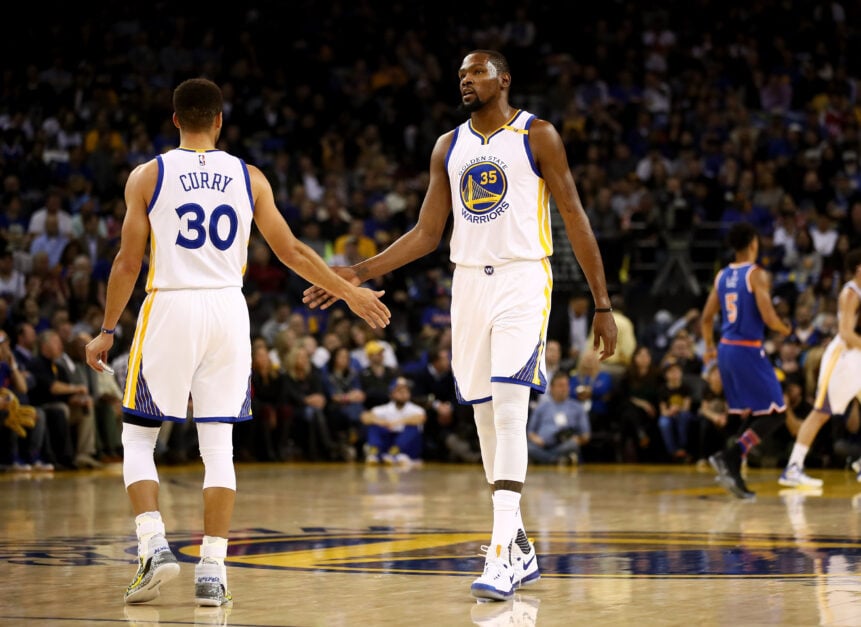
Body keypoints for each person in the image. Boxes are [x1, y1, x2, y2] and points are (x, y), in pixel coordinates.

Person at [303, 50, 617, 601]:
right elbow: (426, 234)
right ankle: (517, 544)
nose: (466, 80)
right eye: (461, 75)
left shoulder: (537, 135)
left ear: (504, 79)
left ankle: (499, 553)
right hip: (467, 282)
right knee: (485, 415)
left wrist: (602, 302)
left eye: (477, 72)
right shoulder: (448, 145)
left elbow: (574, 216)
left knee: (512, 406)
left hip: (523, 278)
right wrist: (354, 273)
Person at [83, 78, 390, 607]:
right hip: (228, 308)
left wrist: (108, 328)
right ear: (220, 121)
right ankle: (213, 571)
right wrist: (347, 293)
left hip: (172, 305)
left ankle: (153, 544)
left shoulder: (148, 175)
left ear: (175, 119)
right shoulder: (249, 177)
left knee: (137, 438)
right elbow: (291, 250)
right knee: (218, 444)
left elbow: (128, 262)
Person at [702, 221, 793, 499]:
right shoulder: (756, 275)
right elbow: (767, 316)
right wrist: (783, 328)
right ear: (753, 243)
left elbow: (706, 319)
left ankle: (733, 469)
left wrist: (708, 348)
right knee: (776, 411)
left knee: (753, 413)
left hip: (726, 349)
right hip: (747, 349)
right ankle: (730, 456)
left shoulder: (721, 276)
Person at [778, 248, 861, 487]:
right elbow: (846, 334)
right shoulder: (850, 293)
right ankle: (794, 467)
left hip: (858, 357)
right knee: (821, 412)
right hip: (844, 359)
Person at [526, 370, 590, 465]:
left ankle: (545, 459)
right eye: (560, 386)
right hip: (542, 444)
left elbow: (585, 435)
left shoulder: (577, 407)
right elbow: (530, 432)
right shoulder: (541, 407)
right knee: (527, 446)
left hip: (563, 444)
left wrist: (576, 439)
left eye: (566, 385)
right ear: (551, 388)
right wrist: (536, 439)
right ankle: (554, 459)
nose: (564, 389)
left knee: (573, 445)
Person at [360, 376, 426, 464]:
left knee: (412, 428)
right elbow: (364, 417)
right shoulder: (385, 408)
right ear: (392, 394)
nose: (403, 394)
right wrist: (382, 422)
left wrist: (395, 422)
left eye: (406, 391)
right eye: (399, 391)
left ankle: (396, 452)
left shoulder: (416, 409)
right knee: (374, 426)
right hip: (389, 440)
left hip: (408, 445)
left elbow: (420, 418)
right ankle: (374, 452)